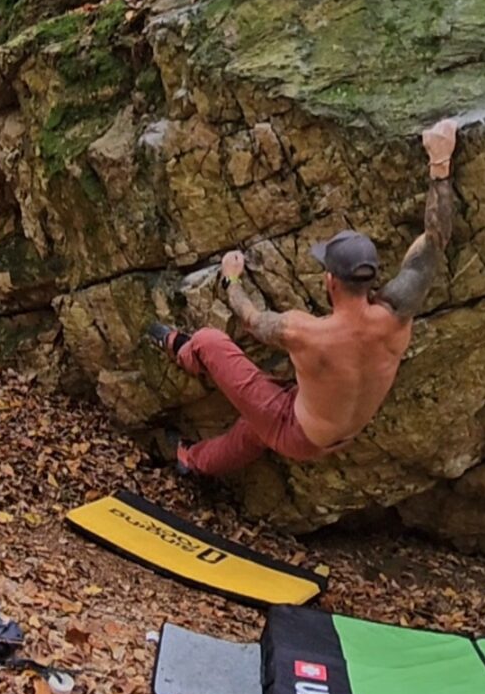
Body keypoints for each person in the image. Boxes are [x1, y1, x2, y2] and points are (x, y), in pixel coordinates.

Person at [145, 118, 458, 478]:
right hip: (342, 434)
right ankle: (193, 461)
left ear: (330, 281)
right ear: (372, 275)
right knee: (256, 426)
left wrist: (231, 277)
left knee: (210, 342)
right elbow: (436, 239)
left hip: (298, 430)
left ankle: (182, 352)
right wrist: (441, 162)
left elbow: (251, 317)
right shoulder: (398, 314)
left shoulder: (303, 332)